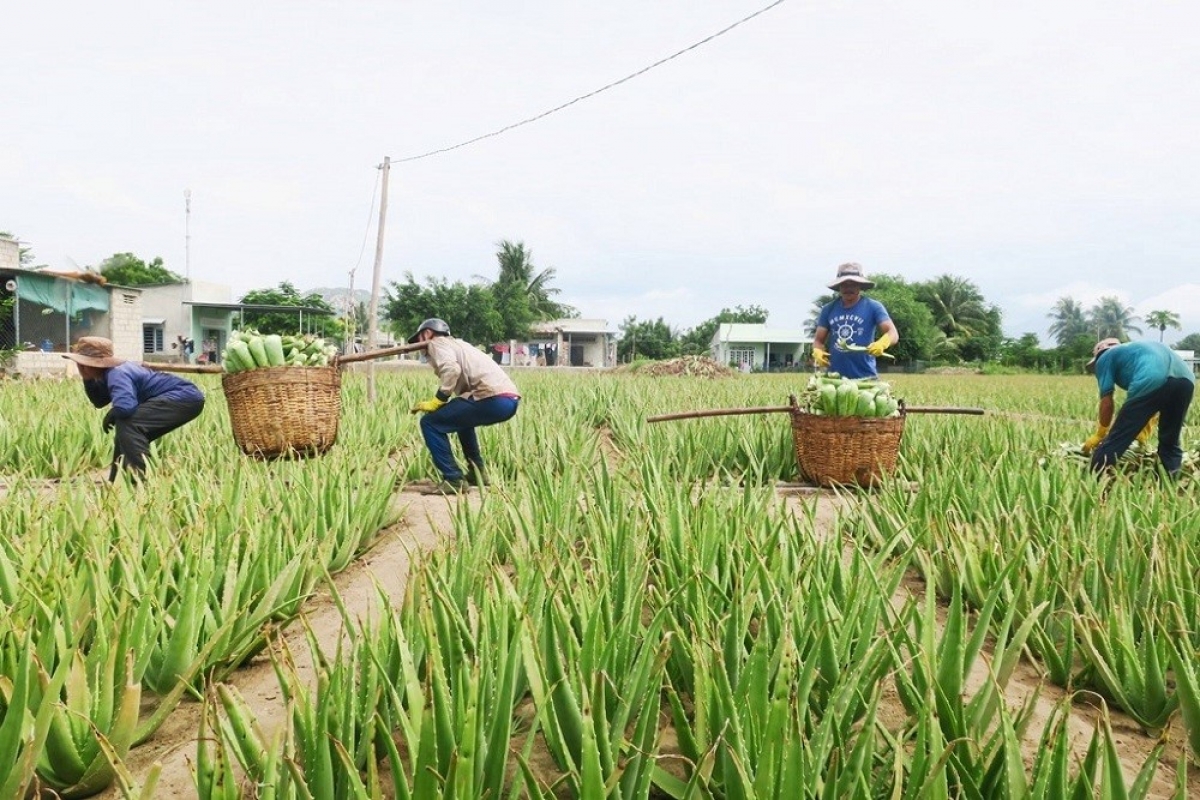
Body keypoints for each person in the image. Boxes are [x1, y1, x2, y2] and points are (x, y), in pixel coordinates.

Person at [63, 336, 206, 482]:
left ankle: (138, 481)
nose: (80, 367)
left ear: (94, 364)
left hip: (184, 397)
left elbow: (125, 408)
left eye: (82, 364)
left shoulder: (117, 373)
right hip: (186, 398)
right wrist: (87, 378)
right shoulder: (108, 373)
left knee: (130, 424)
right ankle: (118, 480)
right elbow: (99, 401)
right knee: (125, 430)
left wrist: (112, 414)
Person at [407, 318, 521, 494]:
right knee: (462, 422)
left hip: (492, 397)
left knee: (430, 423)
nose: (421, 347)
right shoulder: (459, 345)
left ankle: (453, 478)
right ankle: (477, 473)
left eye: (420, 340)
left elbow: (451, 369)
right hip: (509, 400)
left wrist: (439, 399)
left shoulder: (437, 343)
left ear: (427, 333)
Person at [1081, 337, 1195, 477]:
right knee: (1170, 442)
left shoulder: (1104, 358)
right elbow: (1157, 395)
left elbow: (1107, 400)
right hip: (1186, 381)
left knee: (1117, 439)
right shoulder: (1136, 350)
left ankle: (1092, 480)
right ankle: (1169, 484)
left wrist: (1101, 432)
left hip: (1151, 377)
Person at [812, 262, 899, 379]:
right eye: (844, 284)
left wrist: (882, 343)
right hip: (835, 378)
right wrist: (817, 351)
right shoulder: (828, 309)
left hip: (866, 377)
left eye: (853, 284)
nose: (849, 288)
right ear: (839, 286)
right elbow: (818, 340)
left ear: (860, 286)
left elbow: (892, 332)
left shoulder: (873, 307)